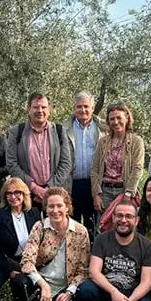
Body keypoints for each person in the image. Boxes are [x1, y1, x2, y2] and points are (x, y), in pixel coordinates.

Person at [74, 199, 151, 301]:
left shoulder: (146, 245)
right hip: (107, 291)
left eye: (129, 216)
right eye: (119, 215)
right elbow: (94, 272)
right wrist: (114, 292)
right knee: (85, 290)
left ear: (136, 221)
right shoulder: (102, 239)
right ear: (113, 218)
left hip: (133, 295)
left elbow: (146, 283)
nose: (123, 220)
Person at [17, 187, 90, 301]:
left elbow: (83, 270)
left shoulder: (81, 231)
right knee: (19, 281)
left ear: (67, 207)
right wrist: (43, 285)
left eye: (59, 206)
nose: (55, 211)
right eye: (51, 206)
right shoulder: (39, 227)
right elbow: (26, 261)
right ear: (45, 208)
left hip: (65, 288)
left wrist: (69, 292)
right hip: (41, 283)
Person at [6, 93, 73, 208]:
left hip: (55, 195)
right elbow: (11, 164)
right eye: (36, 107)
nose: (40, 110)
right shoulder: (17, 131)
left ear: (49, 109)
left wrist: (48, 189)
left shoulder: (59, 131)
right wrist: (34, 188)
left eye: (43, 107)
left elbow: (66, 164)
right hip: (26, 194)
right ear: (29, 109)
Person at [0, 177, 41, 298]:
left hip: (32, 261)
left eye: (17, 192)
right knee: (19, 283)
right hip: (9, 262)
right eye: (9, 193)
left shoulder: (34, 213)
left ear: (24, 194)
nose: (13, 196)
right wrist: (9, 271)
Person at [91, 103, 145, 220]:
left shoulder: (136, 141)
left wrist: (128, 193)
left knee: (125, 225)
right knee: (103, 228)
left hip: (124, 191)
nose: (115, 122)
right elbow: (95, 169)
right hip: (105, 191)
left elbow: (137, 169)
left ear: (127, 118)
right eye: (112, 119)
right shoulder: (103, 142)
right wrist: (96, 194)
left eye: (119, 118)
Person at [62, 92, 105, 234]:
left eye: (86, 106)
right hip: (71, 185)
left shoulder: (103, 129)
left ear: (93, 108)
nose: (83, 110)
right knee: (71, 227)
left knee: (92, 226)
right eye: (79, 106)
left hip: (94, 185)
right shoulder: (63, 129)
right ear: (74, 108)